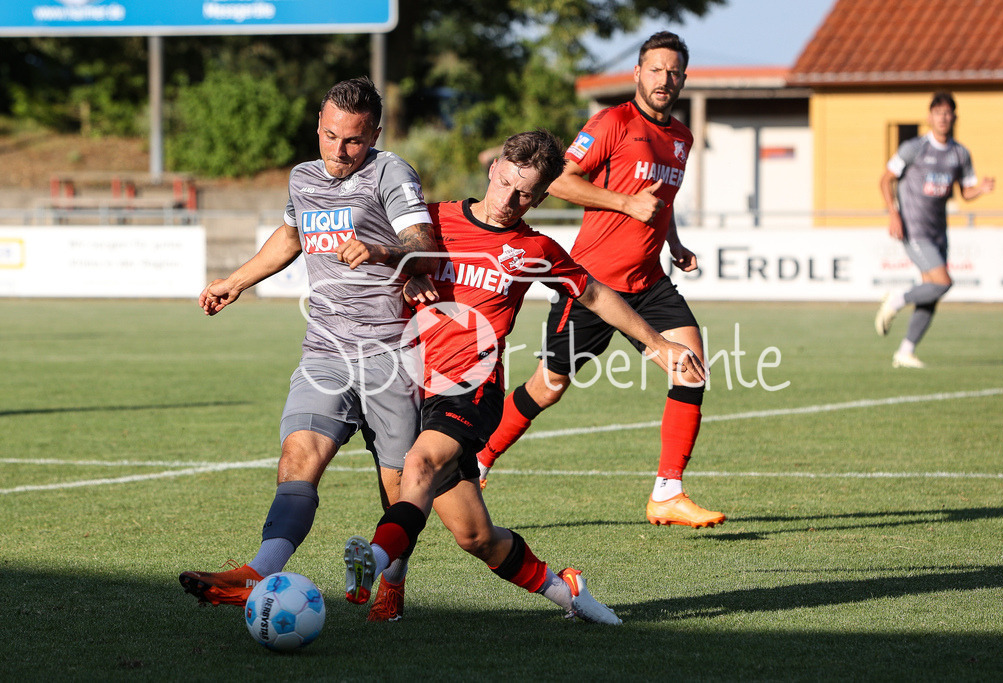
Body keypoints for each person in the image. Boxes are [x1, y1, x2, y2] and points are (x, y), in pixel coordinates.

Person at [342, 130, 704, 625]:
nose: (510, 200)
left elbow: (595, 295)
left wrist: (657, 343)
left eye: (526, 193)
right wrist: (407, 271)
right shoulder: (431, 220)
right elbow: (376, 257)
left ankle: (375, 565)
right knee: (474, 535)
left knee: (418, 465)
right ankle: (567, 591)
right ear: (493, 170)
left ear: (541, 195)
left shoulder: (535, 248)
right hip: (405, 381)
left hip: (472, 385)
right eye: (506, 183)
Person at [178, 77, 438, 623]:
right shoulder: (303, 178)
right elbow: (293, 236)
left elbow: (424, 246)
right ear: (318, 127)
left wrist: (382, 249)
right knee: (299, 455)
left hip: (390, 351)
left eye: (353, 141)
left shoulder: (391, 172)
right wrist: (238, 280)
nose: (339, 151)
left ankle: (390, 580)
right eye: (328, 136)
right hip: (324, 347)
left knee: (398, 484)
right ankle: (257, 573)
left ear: (374, 135)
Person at [475, 31, 724, 529]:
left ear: (684, 79)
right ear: (637, 73)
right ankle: (479, 456)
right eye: (655, 69)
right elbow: (559, 180)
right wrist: (626, 203)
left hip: (649, 281)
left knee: (690, 366)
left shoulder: (682, 136)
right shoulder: (612, 122)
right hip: (593, 285)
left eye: (673, 72)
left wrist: (673, 242)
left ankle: (667, 492)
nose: (664, 80)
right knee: (549, 386)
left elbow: (660, 200)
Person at [875, 92, 995, 368]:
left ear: (954, 117)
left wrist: (982, 190)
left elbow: (965, 192)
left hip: (939, 231)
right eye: (938, 112)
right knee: (943, 282)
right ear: (929, 117)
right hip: (914, 228)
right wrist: (893, 214)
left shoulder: (959, 153)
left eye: (948, 113)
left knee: (933, 290)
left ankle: (905, 351)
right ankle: (897, 299)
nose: (943, 118)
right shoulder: (914, 148)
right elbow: (885, 179)